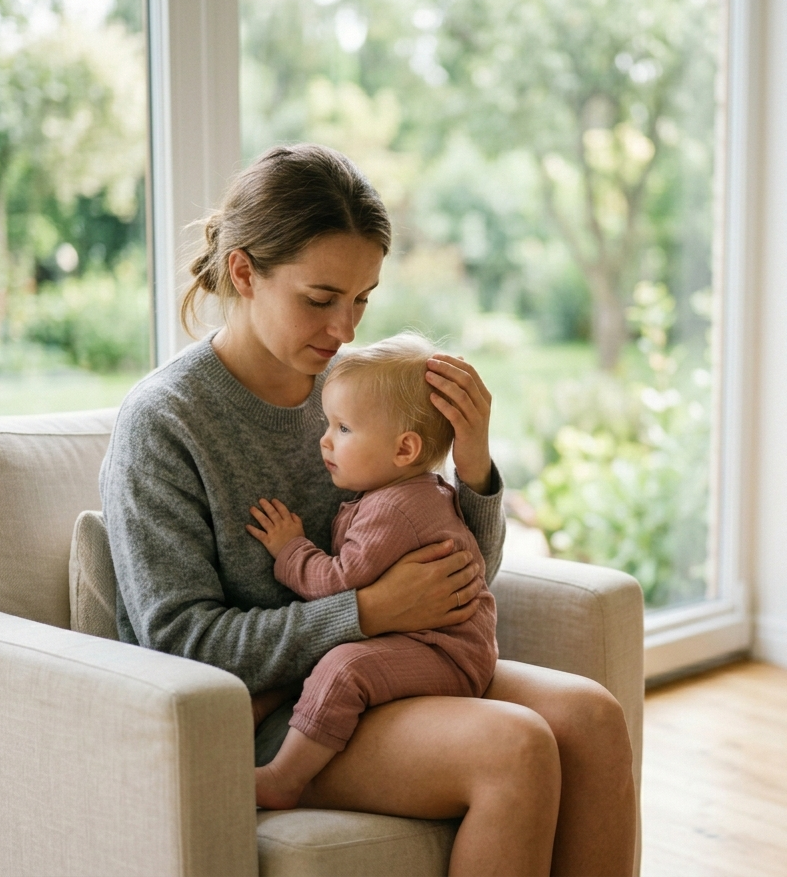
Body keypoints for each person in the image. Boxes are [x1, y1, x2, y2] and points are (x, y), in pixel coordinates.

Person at [99, 142, 636, 875]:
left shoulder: (359, 391)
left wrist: (472, 466)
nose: (345, 329)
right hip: (268, 714)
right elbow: (179, 644)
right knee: (515, 750)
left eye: (361, 300)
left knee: (594, 719)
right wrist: (369, 612)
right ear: (244, 272)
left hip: (386, 668)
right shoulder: (165, 424)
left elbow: (457, 578)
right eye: (320, 299)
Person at [247, 333, 499, 810]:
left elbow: (338, 583)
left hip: (445, 653)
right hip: (445, 645)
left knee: (345, 668)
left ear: (404, 449)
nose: (324, 439)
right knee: (327, 664)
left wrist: (290, 549)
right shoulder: (411, 491)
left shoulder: (394, 510)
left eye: (343, 429)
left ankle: (285, 777)